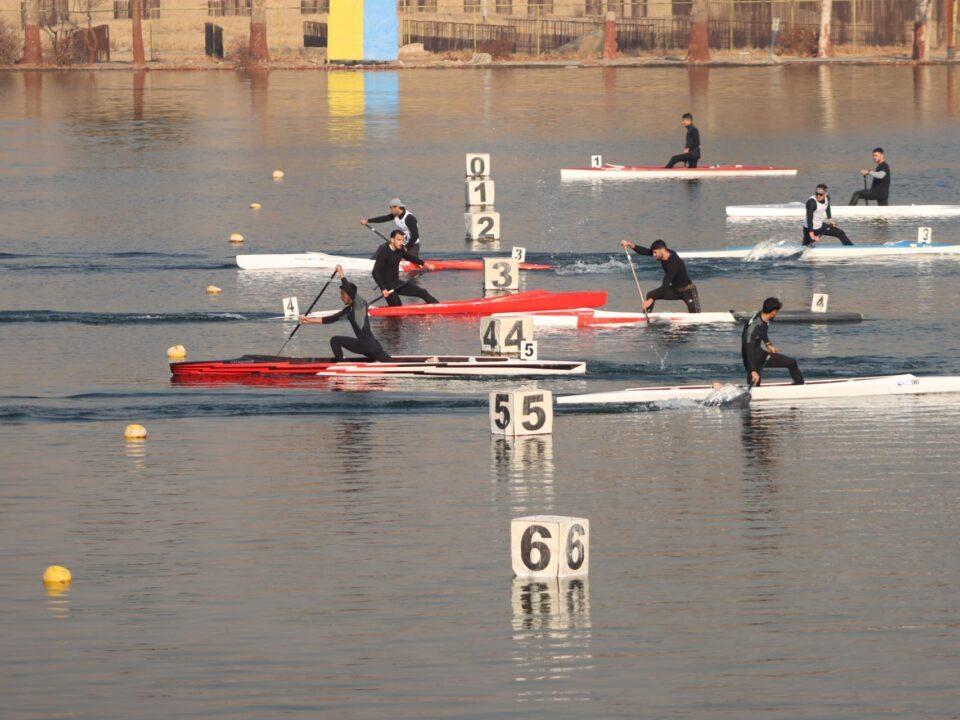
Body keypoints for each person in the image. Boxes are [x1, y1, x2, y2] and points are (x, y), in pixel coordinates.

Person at [313, 265, 391, 362]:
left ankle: (340, 364)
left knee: (335, 340)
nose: (341, 297)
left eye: (342, 294)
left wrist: (341, 273)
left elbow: (349, 289)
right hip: (372, 346)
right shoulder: (348, 310)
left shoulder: (360, 304)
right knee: (390, 363)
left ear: (349, 294)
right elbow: (329, 319)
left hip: (366, 346)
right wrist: (307, 320)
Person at [620, 238, 701, 313]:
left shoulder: (674, 262)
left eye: (655, 252)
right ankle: (646, 316)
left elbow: (665, 285)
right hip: (675, 290)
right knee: (651, 294)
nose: (653, 255)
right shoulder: (663, 252)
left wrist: (650, 301)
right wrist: (630, 244)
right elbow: (646, 251)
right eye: (653, 252)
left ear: (662, 250)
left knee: (695, 315)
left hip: (688, 291)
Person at [741, 297, 804, 386]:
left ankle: (799, 385)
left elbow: (762, 331)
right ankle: (801, 387)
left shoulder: (762, 316)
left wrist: (768, 345)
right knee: (792, 363)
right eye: (776, 312)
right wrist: (753, 370)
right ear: (773, 312)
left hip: (758, 355)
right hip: (752, 359)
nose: (776, 314)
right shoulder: (753, 328)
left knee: (791, 363)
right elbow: (749, 349)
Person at [373, 230, 439, 307]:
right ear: (392, 240)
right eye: (399, 240)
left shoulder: (400, 249)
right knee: (397, 306)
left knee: (423, 292)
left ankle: (439, 307)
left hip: (396, 282)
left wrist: (424, 264)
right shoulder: (384, 251)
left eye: (402, 240)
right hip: (387, 286)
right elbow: (375, 272)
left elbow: (409, 257)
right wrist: (383, 288)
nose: (401, 242)